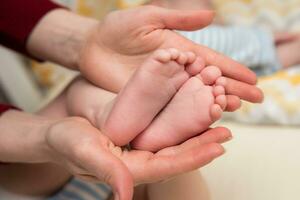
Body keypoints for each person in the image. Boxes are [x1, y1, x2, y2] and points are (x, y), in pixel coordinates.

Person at [0, 0, 264, 199]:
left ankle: (110, 114)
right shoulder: (225, 42)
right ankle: (157, 138)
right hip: (76, 161)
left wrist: (83, 40)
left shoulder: (223, 38)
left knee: (80, 92)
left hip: (41, 177)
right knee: (170, 175)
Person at [150, 0, 300, 76]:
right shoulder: (167, 34)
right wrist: (263, 37)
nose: (212, 12)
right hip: (247, 51)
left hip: (235, 70)